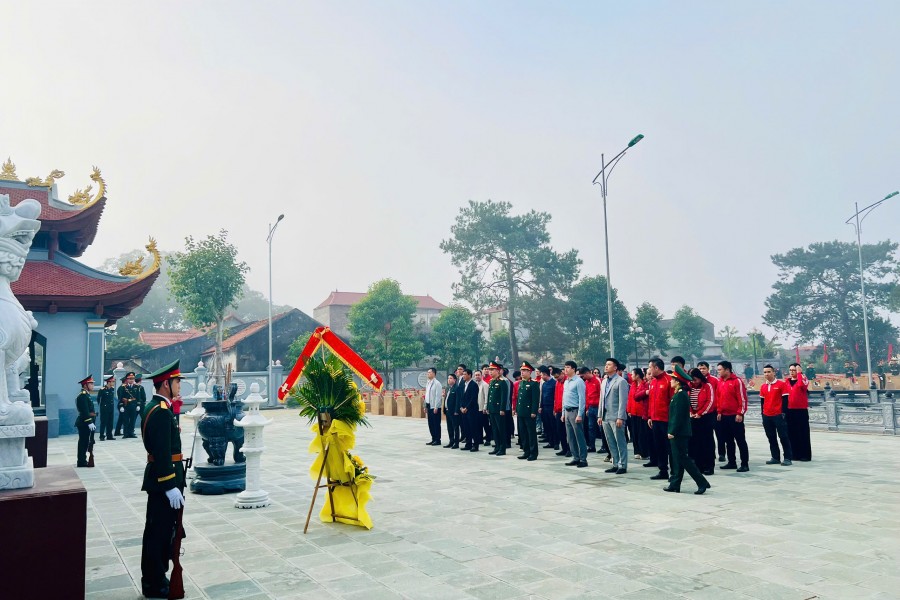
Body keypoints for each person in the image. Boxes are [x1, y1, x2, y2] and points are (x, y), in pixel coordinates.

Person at [140, 360, 186, 599]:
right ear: (166, 384)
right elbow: (161, 452)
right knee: (159, 532)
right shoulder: (160, 412)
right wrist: (169, 485)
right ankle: (154, 582)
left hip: (161, 479)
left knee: (159, 530)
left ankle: (155, 578)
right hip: (163, 481)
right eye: (177, 381)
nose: (179, 385)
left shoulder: (158, 407)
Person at [664, 365, 711, 495]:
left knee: (684, 459)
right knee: (678, 460)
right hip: (679, 432)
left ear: (678, 382)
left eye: (673, 379)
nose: (671, 381)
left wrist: (672, 431)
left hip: (679, 433)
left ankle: (702, 482)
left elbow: (678, 417)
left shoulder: (681, 395)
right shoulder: (679, 394)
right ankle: (675, 484)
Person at [716, 360, 750, 472]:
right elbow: (718, 398)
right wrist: (719, 411)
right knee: (728, 440)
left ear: (727, 370)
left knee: (740, 440)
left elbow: (743, 399)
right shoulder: (720, 382)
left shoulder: (737, 381)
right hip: (724, 416)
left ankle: (744, 464)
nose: (718, 372)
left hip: (735, 416)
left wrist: (740, 413)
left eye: (720, 370)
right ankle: (732, 462)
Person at [599, 358, 629, 474]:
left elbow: (623, 401)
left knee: (620, 442)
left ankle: (622, 465)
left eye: (609, 365)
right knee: (610, 441)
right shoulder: (604, 381)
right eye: (605, 364)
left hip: (616, 416)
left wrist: (620, 417)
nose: (606, 366)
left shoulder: (621, 381)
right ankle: (615, 463)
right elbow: (601, 399)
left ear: (615, 368)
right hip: (605, 416)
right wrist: (599, 415)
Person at [759, 364, 793, 466]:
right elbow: (762, 402)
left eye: (769, 372)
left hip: (778, 415)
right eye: (765, 372)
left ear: (774, 373)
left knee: (783, 437)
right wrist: (763, 414)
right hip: (767, 415)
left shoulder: (781, 384)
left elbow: (785, 400)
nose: (767, 374)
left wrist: (783, 413)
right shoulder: (763, 386)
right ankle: (775, 457)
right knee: (771, 437)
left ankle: (787, 458)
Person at [646, 357, 672, 481]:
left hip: (667, 420)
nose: (649, 370)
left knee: (670, 447)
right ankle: (663, 471)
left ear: (656, 367)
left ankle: (675, 472)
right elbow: (651, 401)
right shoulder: (653, 382)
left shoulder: (669, 380)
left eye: (650, 367)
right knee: (659, 446)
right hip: (655, 419)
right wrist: (650, 416)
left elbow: (673, 402)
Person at [687, 368, 716, 476]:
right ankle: (699, 466)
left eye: (695, 380)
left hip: (706, 418)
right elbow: (687, 401)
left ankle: (709, 466)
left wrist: (700, 413)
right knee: (696, 442)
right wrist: (691, 412)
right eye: (692, 380)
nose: (694, 382)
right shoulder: (689, 387)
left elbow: (710, 401)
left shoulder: (707, 386)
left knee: (707, 442)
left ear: (700, 378)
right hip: (693, 417)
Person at [561, 361, 588, 467]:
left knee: (579, 436)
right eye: (565, 367)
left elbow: (582, 399)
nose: (565, 369)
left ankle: (583, 459)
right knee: (570, 437)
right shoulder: (566, 382)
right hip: (567, 411)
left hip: (575, 411)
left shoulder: (579, 381)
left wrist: (580, 414)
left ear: (573, 369)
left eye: (568, 367)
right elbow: (564, 399)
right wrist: (563, 413)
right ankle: (575, 457)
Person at [698, 361, 725, 463]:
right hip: (704, 412)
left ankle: (722, 453)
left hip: (715, 411)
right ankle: (711, 454)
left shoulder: (714, 380)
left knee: (719, 433)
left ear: (708, 369)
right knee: (707, 435)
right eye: (700, 369)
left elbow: (720, 394)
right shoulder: (697, 381)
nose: (702, 371)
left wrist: (719, 409)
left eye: (704, 368)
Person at [785, 363, 812, 461]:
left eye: (794, 370)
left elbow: (802, 385)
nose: (792, 372)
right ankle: (794, 454)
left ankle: (805, 455)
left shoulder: (803, 379)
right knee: (791, 433)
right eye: (790, 370)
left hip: (801, 410)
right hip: (789, 410)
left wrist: (800, 373)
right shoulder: (787, 382)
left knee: (803, 433)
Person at [516, 362, 540, 461]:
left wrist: (534, 411)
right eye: (521, 370)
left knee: (531, 433)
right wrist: (517, 409)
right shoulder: (521, 383)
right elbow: (519, 398)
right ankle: (526, 451)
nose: (522, 372)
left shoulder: (533, 383)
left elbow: (535, 399)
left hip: (529, 412)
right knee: (523, 433)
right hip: (521, 412)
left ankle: (533, 453)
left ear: (529, 372)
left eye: (524, 371)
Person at [487, 362, 510, 456]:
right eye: (490, 370)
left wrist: (502, 409)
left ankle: (502, 448)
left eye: (492, 370)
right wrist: (488, 407)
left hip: (499, 409)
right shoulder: (492, 381)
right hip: (492, 409)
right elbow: (489, 396)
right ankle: (497, 446)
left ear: (497, 371)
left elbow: (503, 397)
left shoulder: (502, 382)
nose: (490, 372)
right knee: (494, 429)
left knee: (501, 429)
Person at [627, 368, 650, 460]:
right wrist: (629, 410)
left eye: (633, 374)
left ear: (637, 375)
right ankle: (637, 451)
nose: (631, 376)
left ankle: (644, 452)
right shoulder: (633, 385)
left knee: (642, 433)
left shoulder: (645, 385)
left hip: (642, 412)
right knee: (634, 433)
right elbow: (630, 398)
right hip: (633, 412)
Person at [75, 375, 96, 467]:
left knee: (86, 442)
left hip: (86, 422)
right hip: (84, 423)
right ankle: (81, 461)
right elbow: (84, 411)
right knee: (83, 442)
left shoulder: (86, 395)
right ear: (85, 385)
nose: (93, 385)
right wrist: (89, 422)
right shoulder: (82, 396)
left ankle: (83, 460)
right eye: (91, 384)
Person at [580, 367, 602, 453]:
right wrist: (587, 408)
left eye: (583, 376)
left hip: (598, 407)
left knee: (601, 428)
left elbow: (601, 395)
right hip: (590, 408)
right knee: (591, 427)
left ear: (587, 373)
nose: (583, 377)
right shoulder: (586, 382)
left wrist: (600, 409)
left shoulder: (597, 381)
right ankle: (592, 446)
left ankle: (604, 446)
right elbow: (586, 396)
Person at [459, 369, 480, 451]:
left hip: (471, 410)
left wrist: (466, 408)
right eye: (463, 374)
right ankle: (468, 444)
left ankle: (475, 445)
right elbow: (461, 397)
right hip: (463, 410)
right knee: (466, 427)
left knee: (473, 428)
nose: (463, 376)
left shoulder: (474, 385)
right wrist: (461, 407)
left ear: (469, 375)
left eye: (465, 374)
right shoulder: (462, 384)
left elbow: (473, 398)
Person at [552, 367, 571, 457]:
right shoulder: (557, 383)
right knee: (560, 431)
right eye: (555, 377)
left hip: (566, 410)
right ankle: (564, 448)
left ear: (562, 374)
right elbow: (556, 397)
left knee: (568, 432)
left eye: (558, 376)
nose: (557, 379)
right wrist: (555, 409)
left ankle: (570, 449)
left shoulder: (567, 382)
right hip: (558, 410)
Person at [538, 366, 557, 449]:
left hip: (551, 407)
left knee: (553, 425)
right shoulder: (544, 384)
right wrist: (540, 406)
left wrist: (555, 408)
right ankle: (550, 441)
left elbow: (556, 397)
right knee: (547, 425)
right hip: (544, 407)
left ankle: (556, 443)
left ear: (545, 374)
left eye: (542, 375)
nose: (541, 377)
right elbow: (542, 396)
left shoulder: (554, 383)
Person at [424, 367, 443, 446]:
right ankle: (433, 438)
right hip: (429, 405)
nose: (428, 374)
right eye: (427, 372)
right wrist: (425, 406)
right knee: (431, 423)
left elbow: (438, 396)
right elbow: (426, 395)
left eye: (429, 372)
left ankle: (437, 440)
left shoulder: (437, 383)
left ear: (434, 374)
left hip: (435, 407)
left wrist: (436, 406)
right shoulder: (428, 383)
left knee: (436, 423)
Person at [117, 372, 139, 438]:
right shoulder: (123, 387)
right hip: (126, 406)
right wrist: (121, 406)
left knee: (132, 420)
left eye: (133, 379)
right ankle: (125, 433)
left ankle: (131, 433)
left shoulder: (137, 387)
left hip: (133, 405)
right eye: (130, 379)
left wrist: (138, 405)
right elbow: (121, 397)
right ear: (127, 379)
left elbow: (138, 397)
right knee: (125, 420)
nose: (131, 380)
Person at [474, 370, 491, 447]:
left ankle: (488, 439)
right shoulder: (475, 385)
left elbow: (487, 397)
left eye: (478, 375)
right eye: (476, 375)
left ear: (481, 376)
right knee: (478, 425)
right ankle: (480, 439)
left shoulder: (485, 385)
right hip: (476, 409)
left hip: (483, 408)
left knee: (485, 425)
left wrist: (485, 407)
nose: (477, 376)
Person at [97, 374, 116, 441]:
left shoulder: (112, 389)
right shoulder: (102, 390)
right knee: (103, 422)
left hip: (111, 408)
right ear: (109, 382)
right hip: (104, 409)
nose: (113, 383)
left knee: (110, 422)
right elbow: (98, 399)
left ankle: (109, 435)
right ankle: (101, 436)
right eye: (112, 381)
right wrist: (101, 406)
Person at [444, 373, 460, 448]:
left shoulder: (457, 388)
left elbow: (457, 400)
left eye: (450, 378)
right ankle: (451, 441)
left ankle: (456, 443)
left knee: (455, 427)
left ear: (455, 380)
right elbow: (446, 399)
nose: (449, 380)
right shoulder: (448, 388)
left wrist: (456, 410)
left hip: (454, 411)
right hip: (448, 411)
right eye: (448, 378)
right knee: (449, 427)